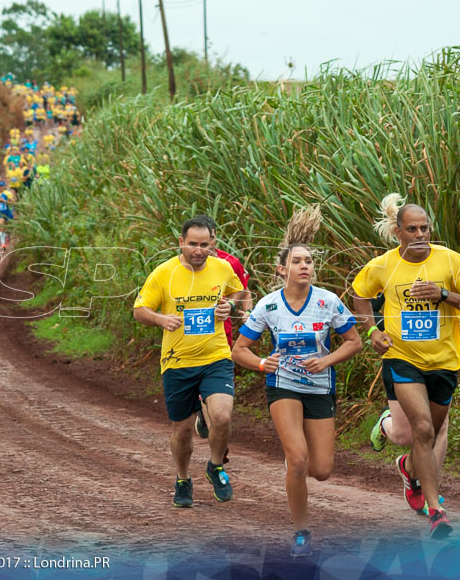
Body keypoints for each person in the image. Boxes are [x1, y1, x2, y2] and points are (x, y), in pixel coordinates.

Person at [350, 194, 460, 539]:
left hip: (443, 362)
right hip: (402, 358)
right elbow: (359, 293)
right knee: (422, 430)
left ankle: (408, 469)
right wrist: (372, 330)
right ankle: (436, 510)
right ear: (399, 233)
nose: (421, 234)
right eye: (412, 229)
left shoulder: (450, 261)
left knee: (428, 435)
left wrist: (444, 295)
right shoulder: (383, 265)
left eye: (425, 228)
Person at [232, 231, 360, 556]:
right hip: (283, 385)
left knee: (321, 470)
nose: (304, 266)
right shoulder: (269, 304)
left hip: (320, 388)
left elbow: (354, 342)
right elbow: (239, 350)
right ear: (281, 269)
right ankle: (301, 532)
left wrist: (326, 361)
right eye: (297, 261)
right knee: (299, 460)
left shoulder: (328, 301)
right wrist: (263, 363)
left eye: (309, 261)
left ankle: (296, 467)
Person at [133, 217, 248, 507]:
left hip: (215, 356)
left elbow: (239, 291)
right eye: (192, 244)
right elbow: (139, 309)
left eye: (204, 245)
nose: (198, 250)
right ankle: (183, 479)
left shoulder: (222, 268)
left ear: (213, 244)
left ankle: (215, 466)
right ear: (181, 243)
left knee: (222, 416)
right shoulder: (164, 273)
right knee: (182, 430)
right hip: (177, 361)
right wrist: (161, 318)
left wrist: (229, 305)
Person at [191, 214, 252, 441]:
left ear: (214, 240)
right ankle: (203, 411)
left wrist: (246, 312)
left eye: (209, 239)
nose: (202, 247)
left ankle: (215, 433)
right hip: (188, 337)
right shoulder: (183, 265)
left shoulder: (229, 263)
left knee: (217, 382)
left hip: (220, 333)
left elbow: (244, 290)